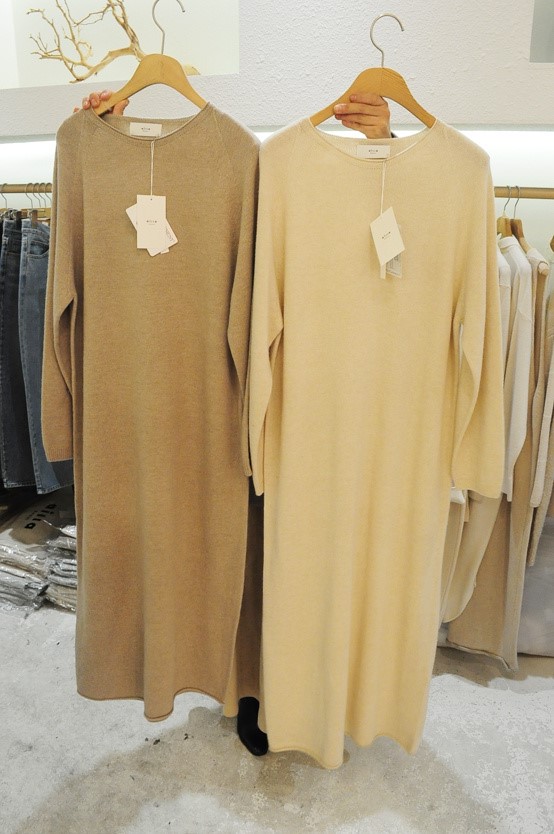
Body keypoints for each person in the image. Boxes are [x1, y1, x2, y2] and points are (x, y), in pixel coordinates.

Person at [70, 88, 393, 756]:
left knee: (269, 546)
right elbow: (62, 303)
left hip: (273, 376)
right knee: (222, 547)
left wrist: (381, 151)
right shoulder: (86, 149)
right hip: (197, 389)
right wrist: (105, 141)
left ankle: (271, 691)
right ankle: (243, 688)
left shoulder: (245, 153)